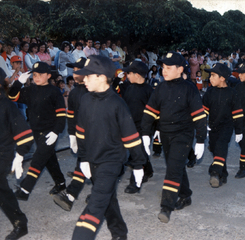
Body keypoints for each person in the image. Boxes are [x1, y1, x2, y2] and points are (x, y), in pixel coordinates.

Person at [71, 55, 146, 240]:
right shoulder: (85, 100)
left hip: (111, 161)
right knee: (108, 199)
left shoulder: (117, 104)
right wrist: (83, 159)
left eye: (88, 76)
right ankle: (120, 233)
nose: (84, 79)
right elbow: (81, 132)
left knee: (96, 203)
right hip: (93, 160)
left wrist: (138, 164)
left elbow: (131, 138)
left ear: (102, 77)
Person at [141, 51, 207, 223]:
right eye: (163, 67)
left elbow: (199, 115)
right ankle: (186, 195)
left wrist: (200, 139)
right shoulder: (160, 88)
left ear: (179, 69)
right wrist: (146, 133)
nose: (164, 71)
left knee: (172, 169)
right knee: (175, 166)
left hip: (183, 135)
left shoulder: (189, 88)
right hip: (165, 134)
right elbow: (150, 112)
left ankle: (166, 206)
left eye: (169, 68)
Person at [8, 61, 67, 201]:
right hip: (36, 131)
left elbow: (61, 114)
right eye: (34, 75)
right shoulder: (30, 90)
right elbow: (12, 97)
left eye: (40, 74)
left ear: (48, 76)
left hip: (49, 133)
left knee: (38, 159)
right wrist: (18, 83)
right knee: (49, 159)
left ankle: (24, 189)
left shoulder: (54, 91)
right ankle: (61, 183)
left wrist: (56, 131)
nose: (37, 77)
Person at [0, 68, 34, 240]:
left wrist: (20, 156)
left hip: (3, 154)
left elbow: (25, 134)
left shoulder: (6, 105)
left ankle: (20, 224)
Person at [53, 57, 88, 211]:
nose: (74, 73)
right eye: (73, 70)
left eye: (77, 70)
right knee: (85, 164)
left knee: (86, 164)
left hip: (97, 136)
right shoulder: (73, 93)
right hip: (81, 136)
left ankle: (71, 195)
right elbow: (71, 116)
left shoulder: (94, 90)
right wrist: (72, 135)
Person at [203, 63, 243, 187]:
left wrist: (239, 131)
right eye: (210, 75)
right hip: (213, 126)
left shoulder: (232, 93)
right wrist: (203, 125)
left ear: (223, 78)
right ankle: (223, 174)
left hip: (227, 126)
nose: (210, 78)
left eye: (213, 75)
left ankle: (214, 172)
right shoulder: (209, 92)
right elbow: (203, 111)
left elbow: (237, 114)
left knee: (221, 146)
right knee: (216, 151)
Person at [119, 60, 154, 193]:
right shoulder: (129, 87)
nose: (127, 76)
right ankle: (148, 170)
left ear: (138, 75)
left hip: (143, 128)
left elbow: (154, 112)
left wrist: (153, 129)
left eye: (129, 73)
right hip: (129, 125)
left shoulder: (149, 91)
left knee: (137, 154)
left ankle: (135, 183)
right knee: (140, 152)